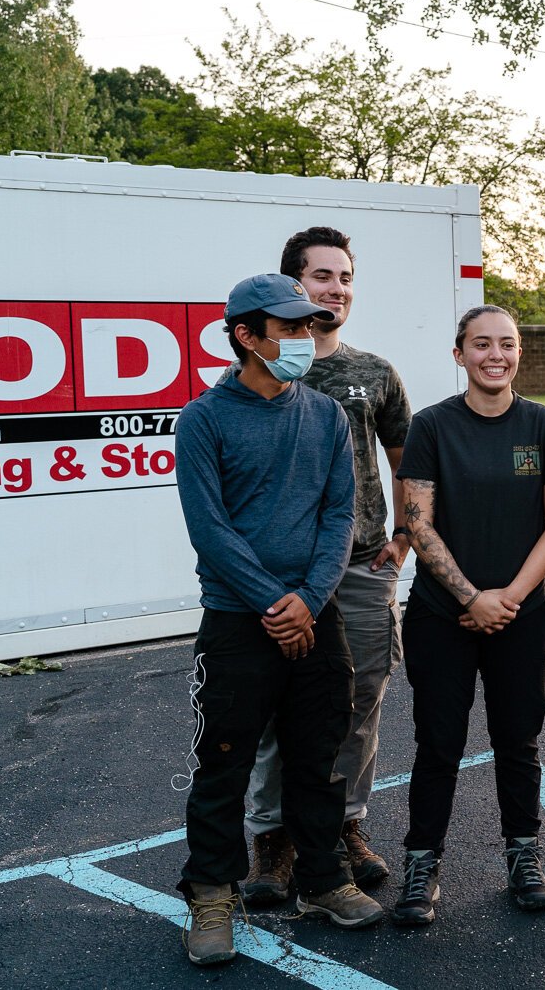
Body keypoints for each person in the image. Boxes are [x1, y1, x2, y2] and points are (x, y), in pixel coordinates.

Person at [173, 274, 383, 967]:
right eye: (289, 328)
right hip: (239, 620)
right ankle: (211, 894)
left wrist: (310, 598)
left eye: (308, 326)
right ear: (246, 335)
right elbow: (211, 529)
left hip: (315, 615)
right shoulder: (204, 419)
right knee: (223, 762)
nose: (304, 338)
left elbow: (338, 514)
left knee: (320, 756)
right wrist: (273, 602)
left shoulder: (324, 415)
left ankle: (322, 879)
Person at [242, 226, 413, 905]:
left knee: (358, 705)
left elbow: (406, 463)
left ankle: (343, 826)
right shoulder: (260, 370)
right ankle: (273, 839)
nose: (336, 289)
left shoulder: (374, 374)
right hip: (284, 575)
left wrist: (405, 538)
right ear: (294, 286)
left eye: (345, 278)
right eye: (321, 276)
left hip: (362, 570)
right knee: (276, 711)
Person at [390, 305, 545, 922]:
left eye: (507, 344)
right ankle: (422, 865)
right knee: (437, 745)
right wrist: (472, 598)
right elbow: (418, 525)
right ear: (459, 353)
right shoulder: (432, 426)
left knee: (518, 742)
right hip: (441, 615)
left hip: (521, 613)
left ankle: (524, 857)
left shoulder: (544, 425)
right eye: (481, 344)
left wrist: (507, 599)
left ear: (519, 352)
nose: (495, 355)